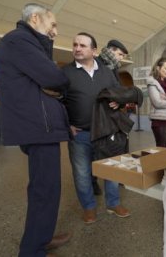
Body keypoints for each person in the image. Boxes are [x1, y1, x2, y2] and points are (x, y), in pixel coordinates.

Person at [0, 3, 71, 256]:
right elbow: (55, 78)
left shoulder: (27, 43)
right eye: (53, 24)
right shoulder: (19, 40)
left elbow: (48, 79)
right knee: (44, 190)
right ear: (35, 18)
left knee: (47, 187)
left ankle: (42, 237)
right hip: (38, 127)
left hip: (40, 125)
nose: (55, 31)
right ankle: (32, 250)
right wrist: (54, 82)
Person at [62, 32, 130, 224]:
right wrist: (66, 124)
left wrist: (120, 102)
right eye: (75, 44)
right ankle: (89, 208)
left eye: (82, 45)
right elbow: (57, 101)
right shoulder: (65, 73)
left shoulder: (107, 72)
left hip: (106, 132)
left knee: (111, 169)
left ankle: (113, 203)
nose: (77, 48)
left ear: (94, 50)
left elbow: (119, 93)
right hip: (80, 134)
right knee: (82, 173)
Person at [91, 39, 128, 195]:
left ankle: (115, 181)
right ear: (111, 50)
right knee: (93, 154)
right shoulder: (96, 64)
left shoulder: (114, 67)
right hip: (97, 118)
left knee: (114, 151)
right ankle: (93, 182)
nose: (120, 58)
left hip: (112, 119)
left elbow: (119, 92)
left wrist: (121, 102)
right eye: (119, 54)